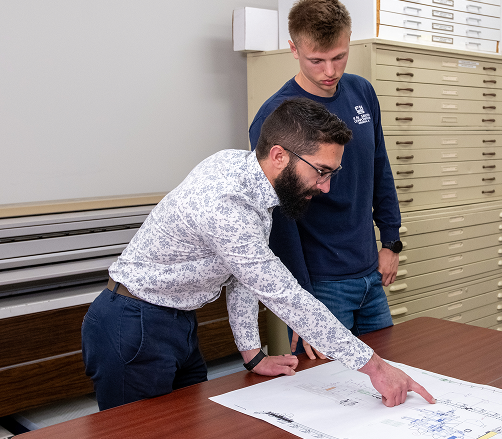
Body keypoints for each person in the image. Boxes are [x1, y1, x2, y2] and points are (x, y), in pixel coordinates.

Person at [82, 97, 433, 411]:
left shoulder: (241, 169)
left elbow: (240, 276)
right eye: (321, 171)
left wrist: (252, 355)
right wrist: (376, 367)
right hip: (133, 324)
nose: (326, 186)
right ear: (279, 155)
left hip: (177, 322)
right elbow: (284, 296)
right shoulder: (227, 204)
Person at [248, 0, 401, 358]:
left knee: (385, 373)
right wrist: (301, 302)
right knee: (327, 391)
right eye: (316, 60)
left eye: (339, 57)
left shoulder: (362, 92)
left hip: (369, 274)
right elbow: (278, 218)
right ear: (294, 49)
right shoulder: (275, 116)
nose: (330, 70)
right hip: (320, 282)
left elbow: (379, 166)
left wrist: (391, 241)